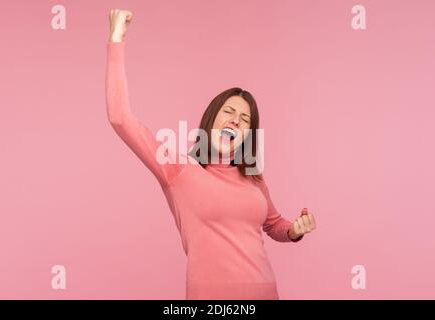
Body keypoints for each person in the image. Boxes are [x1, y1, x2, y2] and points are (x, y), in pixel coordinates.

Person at [106, 9, 316, 299]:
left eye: (244, 120)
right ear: (211, 119)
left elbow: (273, 224)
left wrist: (294, 229)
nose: (235, 121)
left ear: (247, 135)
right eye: (228, 112)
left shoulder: (253, 176)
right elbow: (120, 117)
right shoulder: (178, 169)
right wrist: (117, 39)